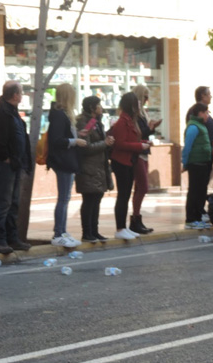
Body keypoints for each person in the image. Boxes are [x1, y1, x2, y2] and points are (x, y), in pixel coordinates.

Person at [0, 81, 32, 254]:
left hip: (15, 165)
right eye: (21, 92)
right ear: (15, 95)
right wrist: (6, 158)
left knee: (13, 203)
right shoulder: (0, 113)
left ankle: (12, 238)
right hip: (5, 165)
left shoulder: (12, 113)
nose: (22, 95)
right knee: (3, 203)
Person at [46, 84, 85, 248]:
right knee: (63, 198)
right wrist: (75, 141)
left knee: (65, 198)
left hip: (66, 160)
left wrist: (78, 135)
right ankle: (58, 233)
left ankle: (62, 231)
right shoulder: (59, 115)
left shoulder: (63, 115)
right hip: (63, 161)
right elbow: (56, 140)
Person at [109, 92, 150, 240]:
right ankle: (120, 228)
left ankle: (124, 227)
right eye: (136, 103)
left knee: (126, 195)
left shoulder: (130, 121)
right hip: (121, 161)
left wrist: (142, 144)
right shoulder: (122, 122)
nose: (139, 106)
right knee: (123, 195)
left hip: (129, 160)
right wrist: (140, 146)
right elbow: (120, 144)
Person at [75, 96, 114, 243]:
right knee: (89, 199)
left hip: (99, 167)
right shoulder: (84, 122)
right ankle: (87, 232)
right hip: (88, 168)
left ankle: (95, 231)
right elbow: (86, 147)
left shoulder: (97, 122)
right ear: (92, 107)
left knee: (97, 198)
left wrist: (107, 143)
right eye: (99, 105)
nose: (101, 107)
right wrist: (105, 143)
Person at [130, 84, 161, 234]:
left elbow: (143, 132)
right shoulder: (135, 114)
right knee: (142, 186)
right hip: (137, 153)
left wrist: (152, 127)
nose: (147, 100)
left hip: (143, 151)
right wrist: (150, 128)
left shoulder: (142, 113)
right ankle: (135, 218)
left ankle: (137, 218)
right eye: (145, 97)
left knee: (141, 188)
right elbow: (138, 133)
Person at [182, 102, 212, 229]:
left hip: (203, 162)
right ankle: (190, 219)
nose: (207, 115)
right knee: (194, 191)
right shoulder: (194, 127)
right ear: (200, 113)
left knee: (200, 191)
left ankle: (198, 217)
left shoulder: (200, 125)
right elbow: (187, 146)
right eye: (206, 112)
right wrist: (185, 162)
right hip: (196, 163)